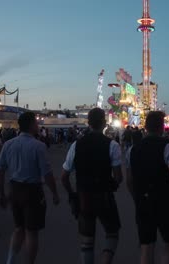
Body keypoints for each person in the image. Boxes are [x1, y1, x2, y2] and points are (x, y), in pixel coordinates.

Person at [61, 108, 123, 264]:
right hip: (104, 197)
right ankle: (105, 259)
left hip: (83, 198)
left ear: (88, 123)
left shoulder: (76, 145)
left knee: (86, 242)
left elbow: (64, 176)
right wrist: (112, 185)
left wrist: (72, 194)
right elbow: (118, 177)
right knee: (112, 233)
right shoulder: (112, 145)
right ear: (104, 123)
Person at [0, 112, 59, 264]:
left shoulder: (8, 144)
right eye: (36, 123)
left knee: (19, 228)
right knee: (31, 232)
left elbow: (0, 170)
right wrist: (55, 193)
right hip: (32, 192)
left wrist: (1, 194)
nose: (38, 126)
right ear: (31, 125)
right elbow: (47, 174)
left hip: (15, 190)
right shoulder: (38, 146)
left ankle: (10, 260)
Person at [128, 111, 169, 264]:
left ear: (145, 127)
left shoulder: (132, 150)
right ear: (161, 128)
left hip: (143, 203)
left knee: (146, 246)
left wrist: (137, 198)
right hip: (165, 202)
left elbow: (130, 180)